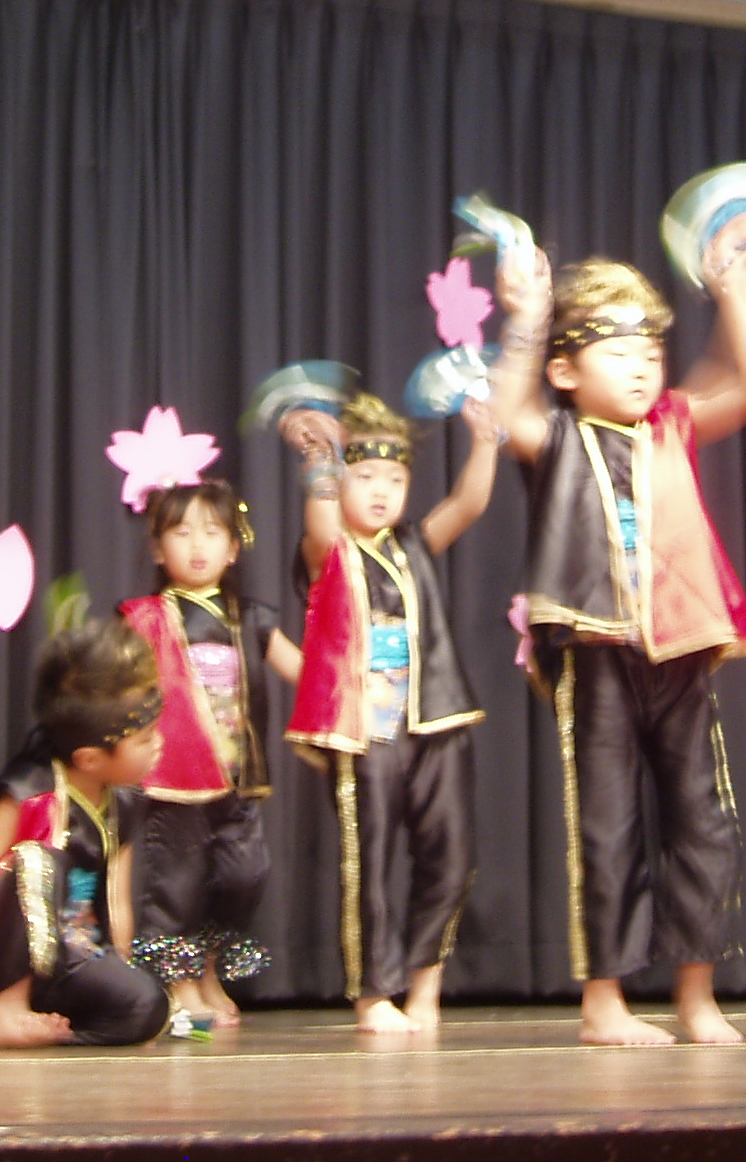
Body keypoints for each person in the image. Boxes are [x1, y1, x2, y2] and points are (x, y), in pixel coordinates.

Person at [486, 214, 746, 1046]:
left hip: (679, 649)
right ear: (566, 371)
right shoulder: (556, 436)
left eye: (652, 351)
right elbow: (507, 411)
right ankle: (604, 1003)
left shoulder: (672, 425)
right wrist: (528, 317)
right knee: (607, 824)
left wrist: (733, 285)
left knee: (702, 819)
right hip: (598, 653)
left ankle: (696, 996)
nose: (644, 366)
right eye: (619, 353)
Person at [280, 390, 501, 1032]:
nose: (382, 490)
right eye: (366, 476)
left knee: (451, 857)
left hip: (434, 718)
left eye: (396, 479)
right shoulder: (327, 551)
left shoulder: (414, 544)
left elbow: (467, 504)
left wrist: (486, 441)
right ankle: (372, 993)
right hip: (363, 728)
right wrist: (322, 459)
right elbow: (324, 524)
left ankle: (425, 986)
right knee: (369, 862)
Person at [0, 619, 172, 1047]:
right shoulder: (32, 795)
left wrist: (121, 972)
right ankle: (5, 1007)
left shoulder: (126, 802)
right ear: (90, 758)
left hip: (69, 960)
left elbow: (116, 903)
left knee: (147, 1007)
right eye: (145, 739)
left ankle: (8, 1030)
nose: (159, 744)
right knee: (40, 860)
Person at [119, 478, 301, 1025]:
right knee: (175, 884)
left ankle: (209, 970)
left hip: (239, 777)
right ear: (158, 549)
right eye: (181, 533)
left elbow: (306, 672)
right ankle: (178, 984)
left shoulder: (253, 618)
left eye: (212, 532)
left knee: (245, 876)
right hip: (175, 779)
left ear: (233, 547)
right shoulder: (144, 618)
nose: (198, 545)